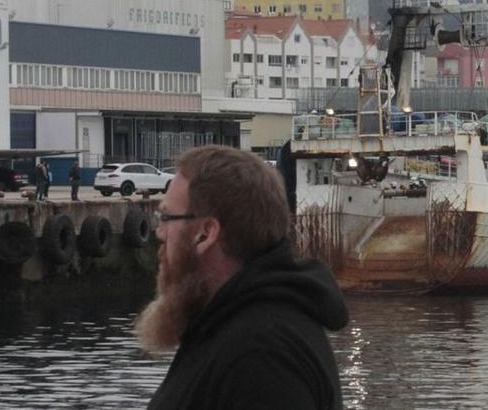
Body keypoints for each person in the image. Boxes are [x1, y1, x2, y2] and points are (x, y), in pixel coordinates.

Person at [139, 145, 347, 410]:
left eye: (167, 217)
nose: (160, 232)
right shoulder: (230, 329)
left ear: (205, 233)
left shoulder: (261, 356)